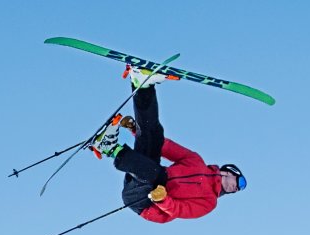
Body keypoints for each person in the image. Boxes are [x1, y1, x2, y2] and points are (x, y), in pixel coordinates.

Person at [93, 83, 246, 222]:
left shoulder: (209, 202)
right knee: (155, 135)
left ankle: (109, 148)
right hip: (145, 175)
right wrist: (136, 131)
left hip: (146, 202)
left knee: (158, 175)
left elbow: (179, 209)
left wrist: (162, 199)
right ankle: (143, 86)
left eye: (239, 189)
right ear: (230, 172)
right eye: (240, 182)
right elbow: (165, 146)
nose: (237, 189)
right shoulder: (196, 161)